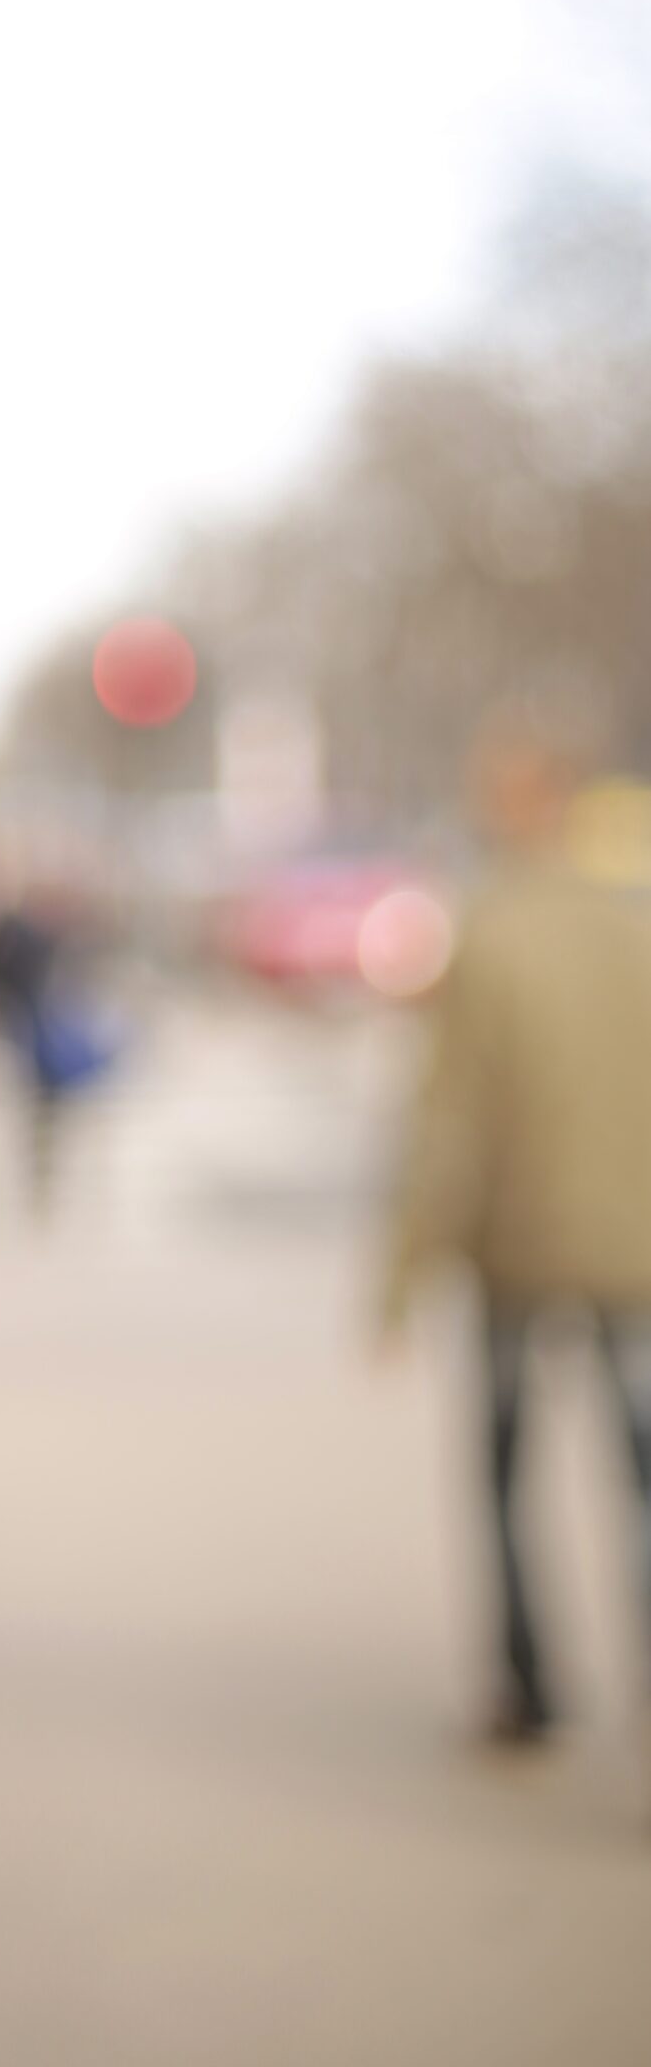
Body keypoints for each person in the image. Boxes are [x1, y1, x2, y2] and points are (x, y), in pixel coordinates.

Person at [380, 725, 651, 1746]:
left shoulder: (487, 931)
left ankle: (526, 1688)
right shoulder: (631, 924)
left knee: (503, 1467)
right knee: (641, 1474)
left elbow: (446, 1121)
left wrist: (399, 1276)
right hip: (632, 1246)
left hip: (518, 1247)